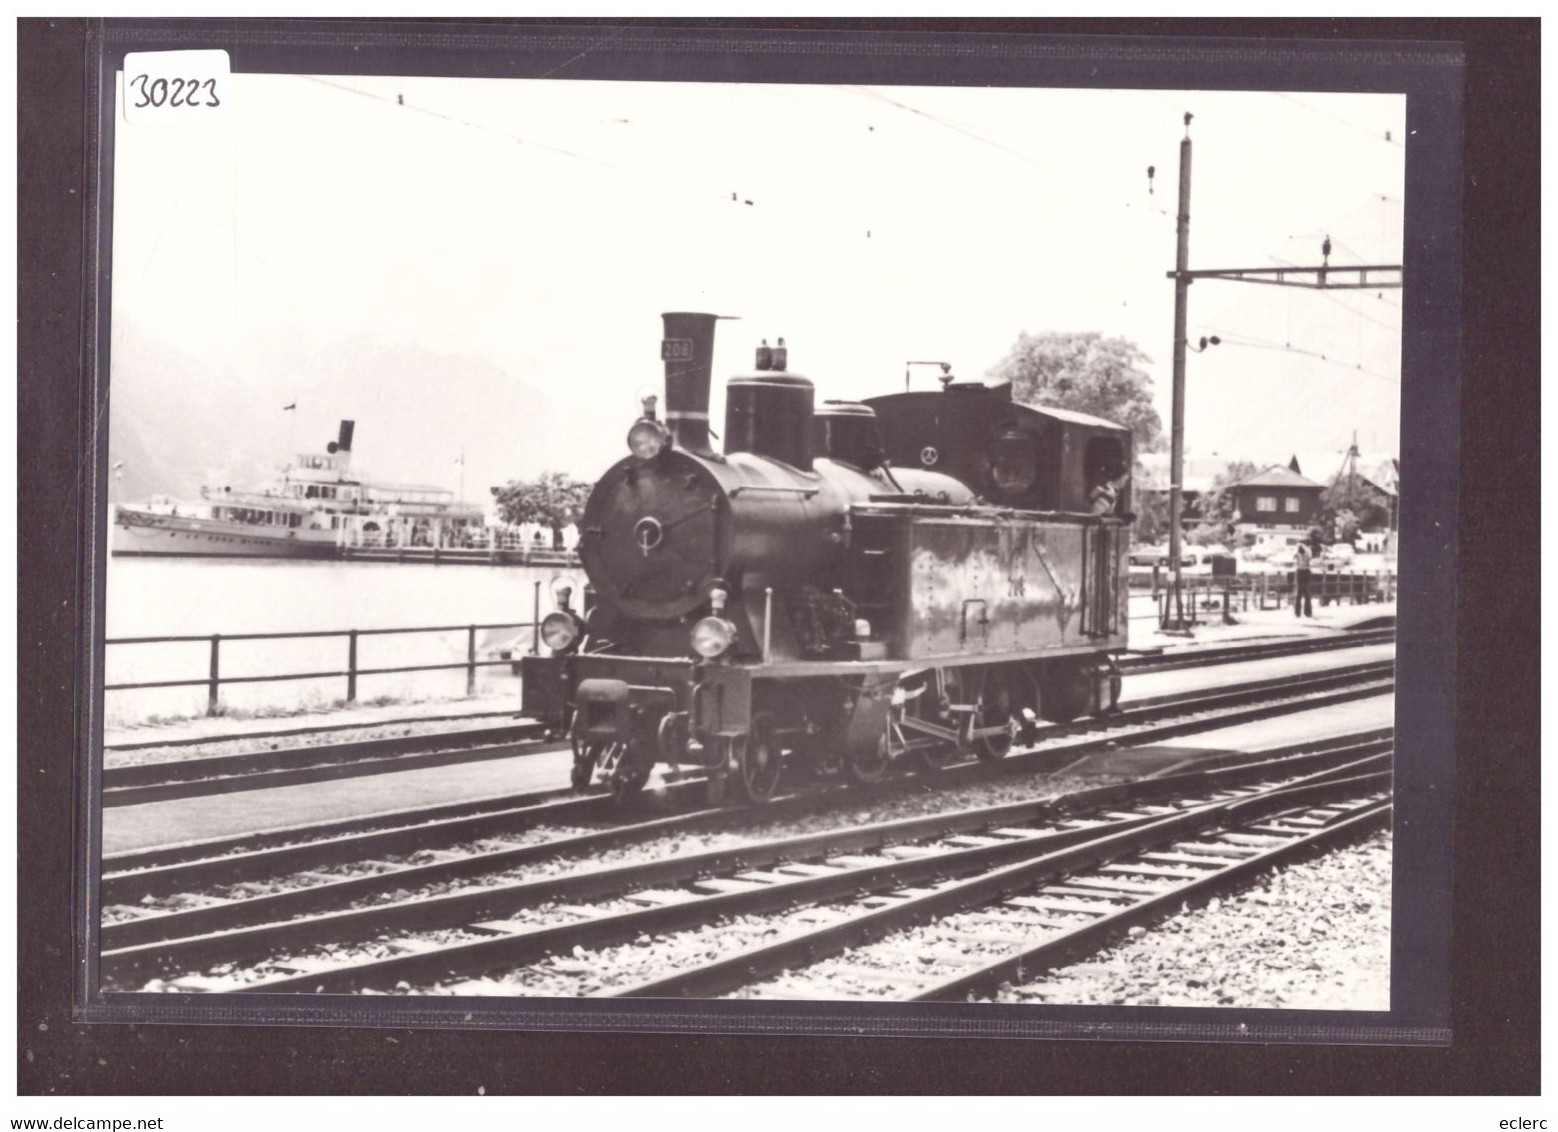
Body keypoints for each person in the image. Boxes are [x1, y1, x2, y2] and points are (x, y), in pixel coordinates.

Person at [1293, 539, 1314, 617]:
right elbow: (1294, 557)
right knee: (1300, 593)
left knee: (1306, 593)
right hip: (1301, 571)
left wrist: (1302, 552)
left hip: (1304, 571)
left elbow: (1309, 558)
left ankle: (1305, 612)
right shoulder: (1298, 550)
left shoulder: (1308, 551)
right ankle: (1300, 612)